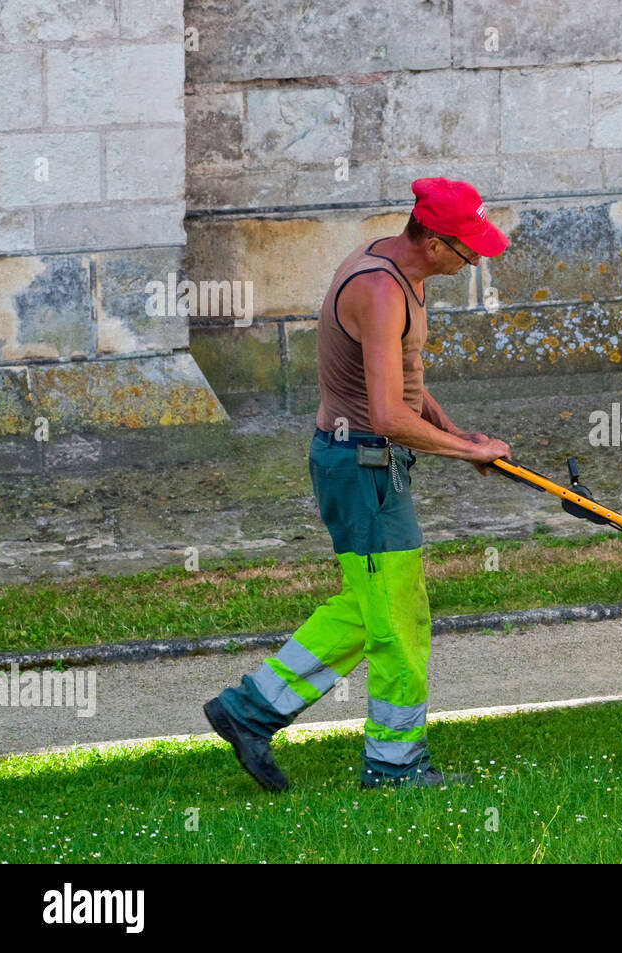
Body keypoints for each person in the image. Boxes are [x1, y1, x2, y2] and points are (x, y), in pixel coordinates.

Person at [203, 177, 512, 790]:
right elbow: (389, 416)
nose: (472, 261)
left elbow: (405, 380)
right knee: (399, 621)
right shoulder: (378, 289)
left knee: (369, 607)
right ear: (433, 239)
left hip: (365, 464)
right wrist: (457, 450)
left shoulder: (397, 267)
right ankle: (395, 766)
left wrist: (463, 438)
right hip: (360, 464)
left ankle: (248, 709)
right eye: (466, 250)